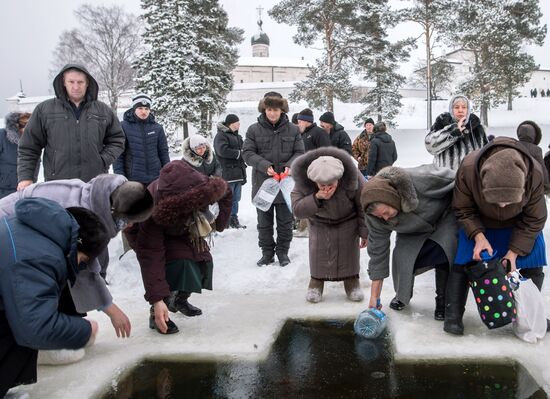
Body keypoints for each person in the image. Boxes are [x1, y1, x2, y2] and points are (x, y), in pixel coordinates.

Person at [0, 174, 153, 337]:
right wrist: (112, 310)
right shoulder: (80, 212)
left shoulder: (97, 201)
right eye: (129, 220)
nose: (129, 226)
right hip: (9, 235)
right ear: (117, 211)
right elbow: (83, 269)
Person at [0, 198, 110, 396]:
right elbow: (35, 329)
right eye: (84, 260)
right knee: (21, 330)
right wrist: (85, 330)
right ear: (78, 246)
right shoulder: (40, 257)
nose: (81, 265)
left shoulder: (32, 231)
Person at [446, 136, 548, 335]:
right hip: (480, 223)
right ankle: (453, 316)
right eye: (497, 200)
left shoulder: (534, 173)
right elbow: (462, 209)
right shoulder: (468, 168)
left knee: (535, 255)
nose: (502, 206)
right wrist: (478, 236)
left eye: (508, 201)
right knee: (463, 259)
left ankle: (527, 313)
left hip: (519, 224)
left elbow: (535, 219)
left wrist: (513, 253)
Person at [126, 160, 232, 334]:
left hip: (180, 228)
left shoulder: (200, 185)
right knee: (180, 265)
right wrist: (157, 299)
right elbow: (151, 254)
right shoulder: (154, 207)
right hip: (147, 236)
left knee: (204, 263)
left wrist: (220, 223)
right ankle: (157, 314)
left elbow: (225, 191)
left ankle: (179, 300)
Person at [360, 164, 457, 319]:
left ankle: (443, 301)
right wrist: (374, 296)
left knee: (444, 250)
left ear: (392, 198)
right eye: (380, 217)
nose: (384, 219)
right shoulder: (374, 216)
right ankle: (402, 296)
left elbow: (460, 181)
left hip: (445, 217)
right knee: (402, 257)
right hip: (413, 231)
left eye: (385, 212)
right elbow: (378, 253)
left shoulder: (422, 179)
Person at [17, 64, 125, 189]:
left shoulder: (103, 111)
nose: (76, 87)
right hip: (57, 184)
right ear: (64, 82)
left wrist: (102, 161)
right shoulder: (44, 110)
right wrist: (26, 177)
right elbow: (29, 146)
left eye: (80, 82)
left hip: (93, 184)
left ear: (87, 83)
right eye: (71, 82)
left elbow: (117, 140)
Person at [291, 147, 368, 303]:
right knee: (319, 253)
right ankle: (316, 283)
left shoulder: (353, 177)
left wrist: (364, 232)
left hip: (348, 221)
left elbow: (363, 205)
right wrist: (317, 197)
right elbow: (297, 210)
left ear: (339, 178)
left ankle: (352, 282)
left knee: (349, 255)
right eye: (322, 185)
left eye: (331, 185)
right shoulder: (304, 180)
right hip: (319, 223)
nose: (326, 189)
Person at [242, 91, 305, 267]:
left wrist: (290, 165)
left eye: (276, 109)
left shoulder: (293, 130)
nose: (272, 113)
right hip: (263, 185)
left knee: (285, 223)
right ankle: (267, 253)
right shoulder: (253, 129)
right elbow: (247, 153)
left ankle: (283, 253)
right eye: (269, 109)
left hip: (285, 185)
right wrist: (263, 165)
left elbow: (300, 152)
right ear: (264, 109)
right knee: (264, 223)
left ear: (281, 110)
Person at [114, 93, 170, 185]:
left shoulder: (157, 128)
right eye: (140, 108)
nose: (144, 112)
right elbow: (118, 155)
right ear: (134, 109)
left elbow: (163, 153)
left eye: (146, 109)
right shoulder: (123, 126)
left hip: (156, 179)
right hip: (132, 180)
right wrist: (120, 177)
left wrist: (168, 173)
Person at [425, 94, 487, 170]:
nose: (460, 110)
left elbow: (486, 155)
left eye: (464, 107)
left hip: (470, 178)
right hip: (447, 178)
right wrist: (454, 131)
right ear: (451, 109)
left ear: (468, 110)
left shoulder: (476, 126)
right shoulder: (442, 123)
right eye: (456, 107)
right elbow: (430, 147)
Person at [214, 114, 247, 229]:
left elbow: (244, 150)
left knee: (236, 199)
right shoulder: (221, 136)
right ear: (231, 124)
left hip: (238, 173)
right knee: (227, 198)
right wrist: (239, 153)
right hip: (227, 173)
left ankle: (234, 218)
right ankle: (225, 220)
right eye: (237, 123)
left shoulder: (238, 136)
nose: (239, 125)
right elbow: (222, 150)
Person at [0, 112, 31, 199]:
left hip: (22, 191)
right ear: (19, 126)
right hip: (3, 191)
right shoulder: (2, 135)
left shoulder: (32, 142)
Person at [516, 120, 550, 192]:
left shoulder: (513, 146)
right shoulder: (536, 150)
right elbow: (542, 168)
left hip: (517, 184)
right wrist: (546, 184)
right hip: (532, 186)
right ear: (533, 135)